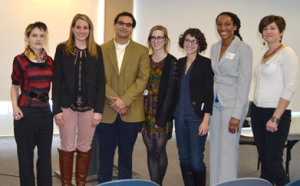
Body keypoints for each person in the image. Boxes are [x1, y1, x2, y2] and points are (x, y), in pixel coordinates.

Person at [96, 11, 149, 183]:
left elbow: (142, 79)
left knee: (126, 155)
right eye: (121, 23)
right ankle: (104, 183)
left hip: (131, 111)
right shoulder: (101, 50)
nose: (124, 26)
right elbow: (98, 79)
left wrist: (124, 100)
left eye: (128, 24)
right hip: (106, 110)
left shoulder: (141, 51)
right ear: (115, 25)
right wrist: (115, 101)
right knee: (105, 155)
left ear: (132, 28)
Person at [52, 13, 105, 186]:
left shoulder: (96, 50)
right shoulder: (62, 49)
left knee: (84, 146)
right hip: (66, 106)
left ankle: (80, 184)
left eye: (85, 27)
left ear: (90, 30)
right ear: (72, 29)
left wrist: (98, 110)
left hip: (89, 107)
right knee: (67, 146)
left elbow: (100, 82)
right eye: (78, 27)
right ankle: (66, 184)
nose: (82, 31)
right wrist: (56, 109)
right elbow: (56, 79)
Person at [251, 15, 298, 186]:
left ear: (281, 31)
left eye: (272, 28)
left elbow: (290, 87)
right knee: (264, 159)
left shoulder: (287, 53)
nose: (268, 31)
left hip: (275, 113)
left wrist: (275, 117)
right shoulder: (266, 54)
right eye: (265, 28)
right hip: (258, 111)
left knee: (274, 162)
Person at [209, 12, 253, 185]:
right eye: (219, 24)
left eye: (227, 24)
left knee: (228, 149)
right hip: (215, 103)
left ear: (235, 26)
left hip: (232, 104)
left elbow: (244, 84)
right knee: (215, 147)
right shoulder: (214, 47)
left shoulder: (244, 49)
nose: (223, 28)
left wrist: (237, 113)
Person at [11, 22, 53, 186]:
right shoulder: (19, 60)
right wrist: (15, 107)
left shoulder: (50, 61)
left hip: (45, 114)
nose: (38, 39)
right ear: (27, 38)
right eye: (34, 35)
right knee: (26, 157)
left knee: (45, 158)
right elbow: (14, 87)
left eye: (42, 35)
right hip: (25, 113)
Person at [174, 28, 214, 186]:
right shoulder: (179, 63)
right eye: (187, 40)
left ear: (199, 44)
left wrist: (206, 120)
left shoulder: (205, 64)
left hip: (196, 118)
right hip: (180, 117)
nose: (189, 44)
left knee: (196, 159)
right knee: (183, 157)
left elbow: (209, 94)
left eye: (194, 41)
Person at [140, 25, 177, 185]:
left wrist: (161, 117)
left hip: (162, 112)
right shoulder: (145, 60)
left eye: (160, 37)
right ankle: (154, 183)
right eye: (153, 38)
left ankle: (159, 182)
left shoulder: (172, 61)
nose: (156, 41)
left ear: (165, 40)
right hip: (145, 112)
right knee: (149, 150)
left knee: (160, 149)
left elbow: (171, 92)